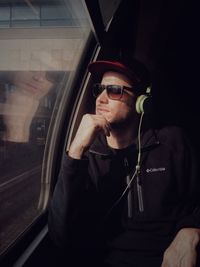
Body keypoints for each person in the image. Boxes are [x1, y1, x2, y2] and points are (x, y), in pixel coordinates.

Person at [48, 56, 200, 267]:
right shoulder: (88, 156)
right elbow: (60, 236)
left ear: (141, 101)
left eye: (114, 91)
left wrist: (191, 230)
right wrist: (75, 150)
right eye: (99, 89)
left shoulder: (172, 142)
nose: (100, 99)